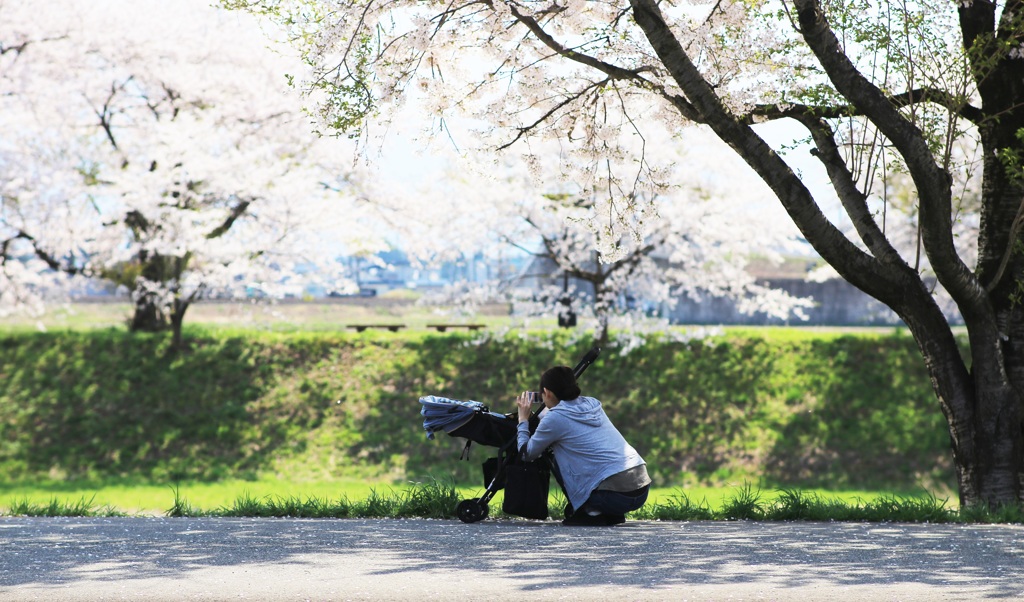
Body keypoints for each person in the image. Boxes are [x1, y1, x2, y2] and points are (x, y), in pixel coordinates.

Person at [515, 365, 651, 526]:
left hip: (615, 496)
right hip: (641, 489)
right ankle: (609, 513)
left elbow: (526, 454)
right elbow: (568, 419)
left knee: (558, 453)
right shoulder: (592, 404)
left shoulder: (555, 418)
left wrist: (523, 420)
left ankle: (593, 511)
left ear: (547, 392)